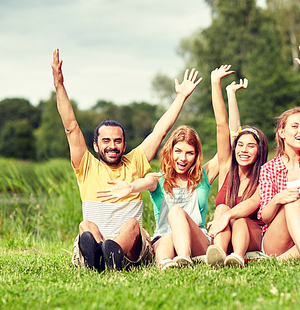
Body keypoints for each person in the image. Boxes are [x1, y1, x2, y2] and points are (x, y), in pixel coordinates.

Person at [51, 49, 202, 271]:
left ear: (124, 144)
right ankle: (99, 253)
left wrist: (181, 97)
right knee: (86, 225)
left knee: (132, 225)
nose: (112, 145)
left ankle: (111, 253)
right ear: (96, 145)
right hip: (97, 237)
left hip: (131, 248)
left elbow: (160, 131)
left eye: (118, 141)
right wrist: (59, 85)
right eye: (106, 141)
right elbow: (71, 127)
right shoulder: (86, 166)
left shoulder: (135, 161)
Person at [96, 66, 237, 270]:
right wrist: (130, 187)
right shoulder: (159, 179)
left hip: (198, 242)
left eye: (190, 153)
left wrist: (217, 86)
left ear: (196, 155)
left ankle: (184, 259)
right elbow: (147, 182)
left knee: (177, 213)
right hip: (165, 239)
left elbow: (226, 131)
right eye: (178, 151)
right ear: (170, 152)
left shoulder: (204, 175)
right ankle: (166, 265)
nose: (183, 158)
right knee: (165, 238)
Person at [258, 45, 300, 269]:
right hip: (278, 236)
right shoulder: (270, 168)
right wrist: (279, 198)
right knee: (292, 196)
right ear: (282, 132)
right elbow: (265, 216)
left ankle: (289, 259)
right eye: (294, 126)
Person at [205, 70, 269, 267]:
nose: (244, 150)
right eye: (240, 145)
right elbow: (222, 124)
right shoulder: (226, 168)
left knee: (237, 217)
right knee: (223, 207)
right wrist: (215, 83)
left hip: (252, 236)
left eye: (251, 146)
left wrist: (226, 218)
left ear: (259, 150)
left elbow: (251, 205)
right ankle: (219, 254)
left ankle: (238, 258)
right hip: (226, 233)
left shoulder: (264, 174)